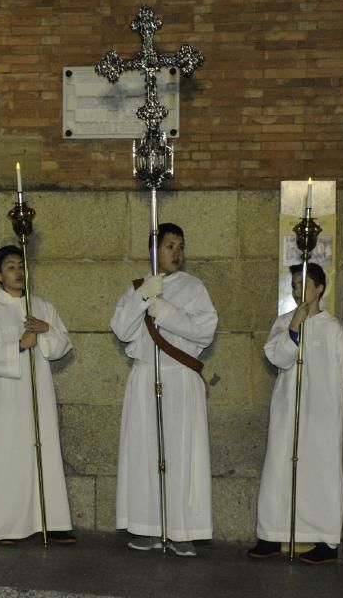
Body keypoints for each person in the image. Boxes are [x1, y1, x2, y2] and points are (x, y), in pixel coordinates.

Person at [110, 223, 218, 557]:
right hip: (146, 376)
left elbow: (205, 330)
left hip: (180, 377)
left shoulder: (194, 287)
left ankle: (182, 529)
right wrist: (144, 297)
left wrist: (165, 312)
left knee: (180, 453)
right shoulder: (138, 286)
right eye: (170, 245)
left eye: (180, 246)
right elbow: (121, 329)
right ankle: (148, 526)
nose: (176, 253)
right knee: (146, 452)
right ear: (154, 250)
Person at [248, 262, 343, 564]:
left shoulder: (333, 329)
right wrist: (294, 328)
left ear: (320, 288)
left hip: (321, 412)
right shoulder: (284, 322)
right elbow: (278, 358)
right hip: (287, 409)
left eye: (304, 284)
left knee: (321, 472)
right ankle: (271, 534)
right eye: (294, 284)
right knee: (279, 468)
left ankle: (326, 541)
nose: (298, 290)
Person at [0, 245, 76, 545]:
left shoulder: (41, 306)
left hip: (38, 396)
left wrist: (46, 330)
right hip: (6, 401)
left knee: (44, 452)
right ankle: (7, 526)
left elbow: (62, 345)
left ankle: (51, 521)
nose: (18, 272)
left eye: (21, 266)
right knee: (10, 457)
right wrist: (19, 345)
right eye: (10, 267)